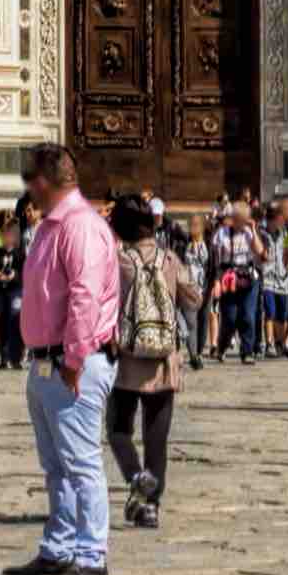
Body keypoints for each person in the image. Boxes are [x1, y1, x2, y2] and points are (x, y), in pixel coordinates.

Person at [7, 142, 121, 575]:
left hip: (72, 362)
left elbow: (84, 297)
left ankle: (92, 556)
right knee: (56, 465)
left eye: (29, 180)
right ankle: (59, 546)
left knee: (81, 462)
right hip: (45, 363)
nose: (27, 190)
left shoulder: (80, 227)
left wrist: (73, 358)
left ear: (43, 181)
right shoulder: (51, 227)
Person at [104, 192, 190, 528]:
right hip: (163, 359)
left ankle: (137, 476)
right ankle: (151, 505)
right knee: (157, 438)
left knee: (118, 429)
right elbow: (194, 298)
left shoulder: (118, 260)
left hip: (126, 357)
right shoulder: (170, 259)